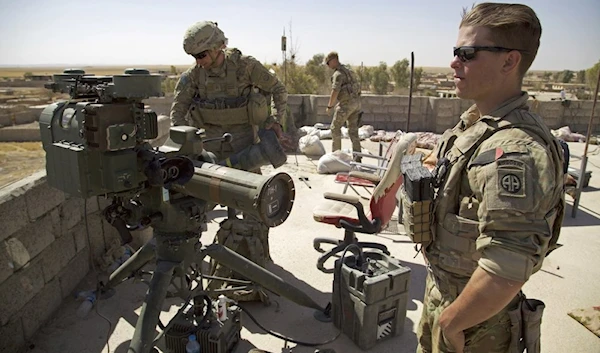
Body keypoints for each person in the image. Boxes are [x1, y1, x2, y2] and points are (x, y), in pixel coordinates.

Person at [415, 3, 565, 353]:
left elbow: (506, 267)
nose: (454, 63)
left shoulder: (514, 152)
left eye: (467, 53)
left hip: (476, 325)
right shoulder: (477, 124)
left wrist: (452, 322)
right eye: (455, 52)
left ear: (509, 62)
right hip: (450, 298)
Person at [170, 21, 289, 302]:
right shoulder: (192, 78)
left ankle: (259, 263)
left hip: (247, 147)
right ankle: (209, 264)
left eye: (202, 56)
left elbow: (279, 89)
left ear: (216, 48)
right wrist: (182, 145)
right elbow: (177, 113)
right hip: (211, 152)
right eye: (194, 58)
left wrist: (276, 122)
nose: (198, 62)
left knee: (256, 208)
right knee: (196, 209)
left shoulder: (246, 67)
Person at [324, 51, 362, 155]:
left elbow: (335, 91)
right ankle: (358, 156)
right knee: (353, 131)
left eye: (328, 63)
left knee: (335, 128)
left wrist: (330, 106)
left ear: (334, 61)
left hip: (347, 105)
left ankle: (336, 156)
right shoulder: (349, 71)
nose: (328, 65)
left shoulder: (338, 74)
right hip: (357, 104)